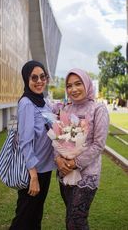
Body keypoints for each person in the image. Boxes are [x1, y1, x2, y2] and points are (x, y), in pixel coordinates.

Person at [55, 68, 109, 230]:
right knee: (71, 217)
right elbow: (57, 137)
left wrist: (74, 163)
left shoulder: (98, 110)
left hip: (86, 175)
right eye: (69, 85)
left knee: (75, 220)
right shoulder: (66, 109)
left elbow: (98, 144)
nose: (73, 89)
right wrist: (58, 159)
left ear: (87, 84)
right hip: (65, 173)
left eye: (78, 84)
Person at [9, 60, 56, 230]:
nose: (39, 81)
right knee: (23, 217)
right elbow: (25, 141)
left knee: (35, 216)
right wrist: (33, 176)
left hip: (45, 169)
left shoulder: (43, 101)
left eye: (42, 77)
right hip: (33, 171)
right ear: (26, 80)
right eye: (34, 77)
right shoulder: (27, 103)